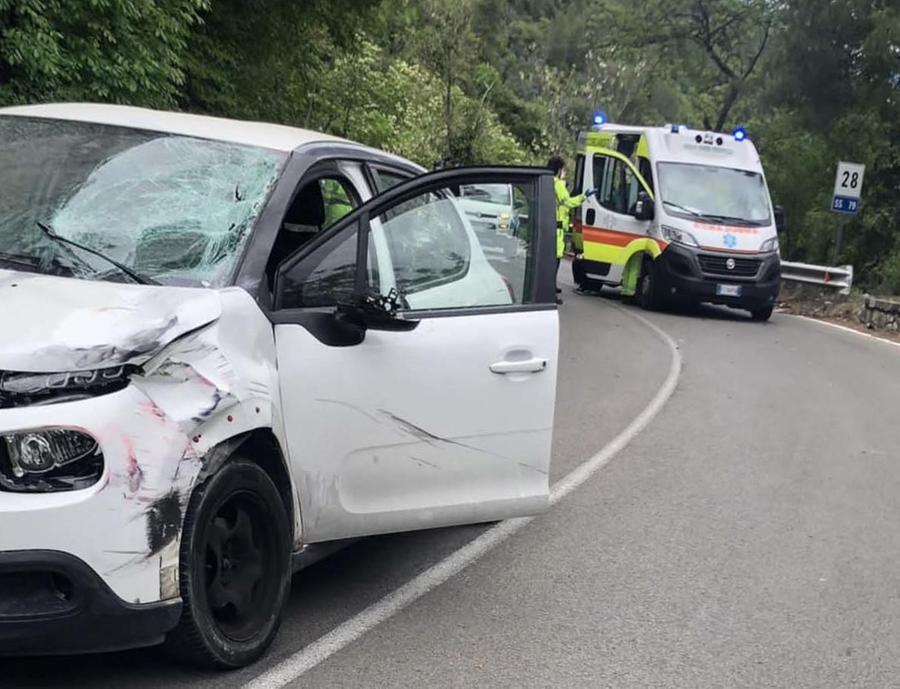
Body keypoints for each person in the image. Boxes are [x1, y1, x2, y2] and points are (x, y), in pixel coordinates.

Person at [548, 156, 595, 304]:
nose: (565, 173)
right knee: (554, 262)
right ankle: (550, 294)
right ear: (558, 170)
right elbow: (567, 202)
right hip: (557, 229)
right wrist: (583, 196)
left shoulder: (548, 182)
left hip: (551, 226)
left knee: (551, 261)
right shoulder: (559, 184)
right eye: (563, 170)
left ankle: (551, 287)